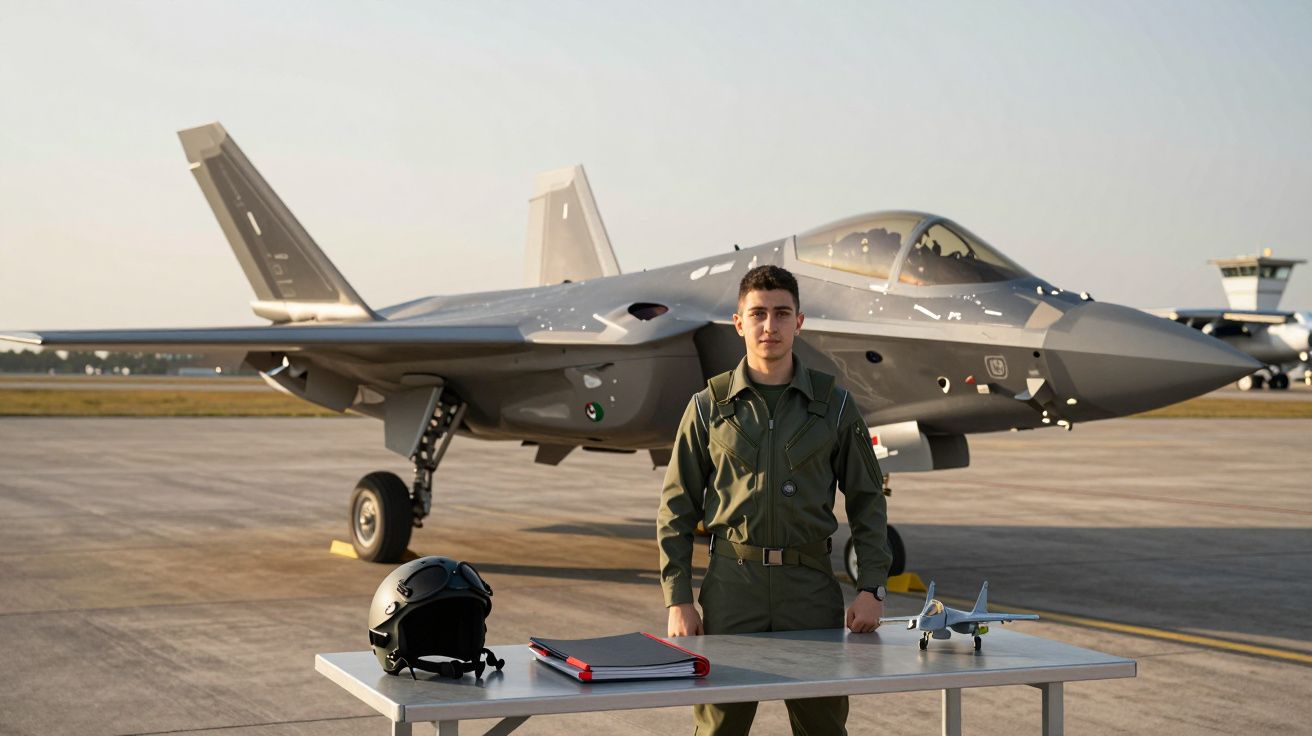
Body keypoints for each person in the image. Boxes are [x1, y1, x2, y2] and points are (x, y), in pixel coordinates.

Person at [657, 264, 892, 736]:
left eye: (782, 313)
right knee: (719, 727)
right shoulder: (708, 406)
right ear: (739, 323)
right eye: (758, 314)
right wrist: (678, 597)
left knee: (822, 725)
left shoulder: (836, 405)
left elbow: (868, 502)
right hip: (731, 588)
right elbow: (676, 507)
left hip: (808, 589)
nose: (770, 326)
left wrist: (872, 588)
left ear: (799, 322)